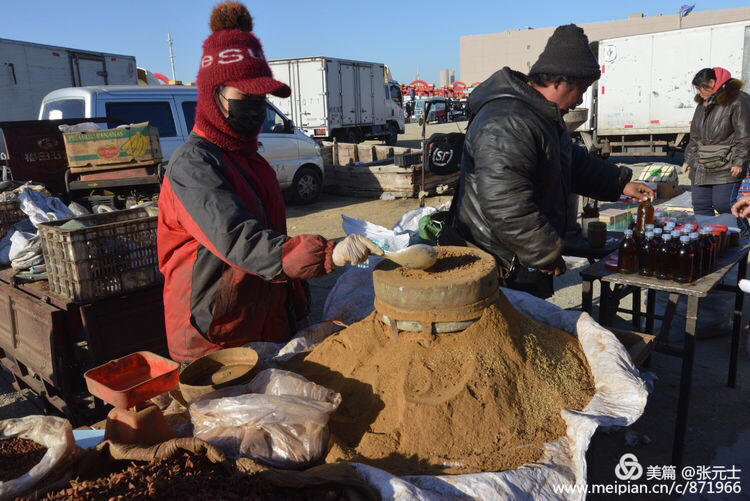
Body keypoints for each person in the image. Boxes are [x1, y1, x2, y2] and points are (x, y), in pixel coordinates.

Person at [158, 2, 381, 363]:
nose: (257, 108)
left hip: (261, 322)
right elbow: (241, 241)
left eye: (261, 99)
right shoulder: (194, 166)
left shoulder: (251, 160)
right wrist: (328, 254)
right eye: (245, 99)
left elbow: (273, 236)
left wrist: (295, 306)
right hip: (216, 339)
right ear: (213, 96)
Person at [449, 24, 654, 298]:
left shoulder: (539, 115)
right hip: (498, 260)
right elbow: (506, 204)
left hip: (520, 252)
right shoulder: (508, 121)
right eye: (580, 89)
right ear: (559, 81)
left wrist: (620, 184)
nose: (581, 98)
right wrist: (544, 251)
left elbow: (572, 162)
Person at [683, 67, 750, 216]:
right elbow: (694, 136)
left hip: (726, 164)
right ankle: (706, 238)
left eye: (702, 87)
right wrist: (688, 159)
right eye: (697, 88)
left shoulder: (738, 100)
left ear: (713, 82)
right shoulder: (703, 104)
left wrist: (739, 161)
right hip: (701, 165)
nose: (699, 92)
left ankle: (742, 235)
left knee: (724, 205)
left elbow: (745, 135)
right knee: (701, 205)